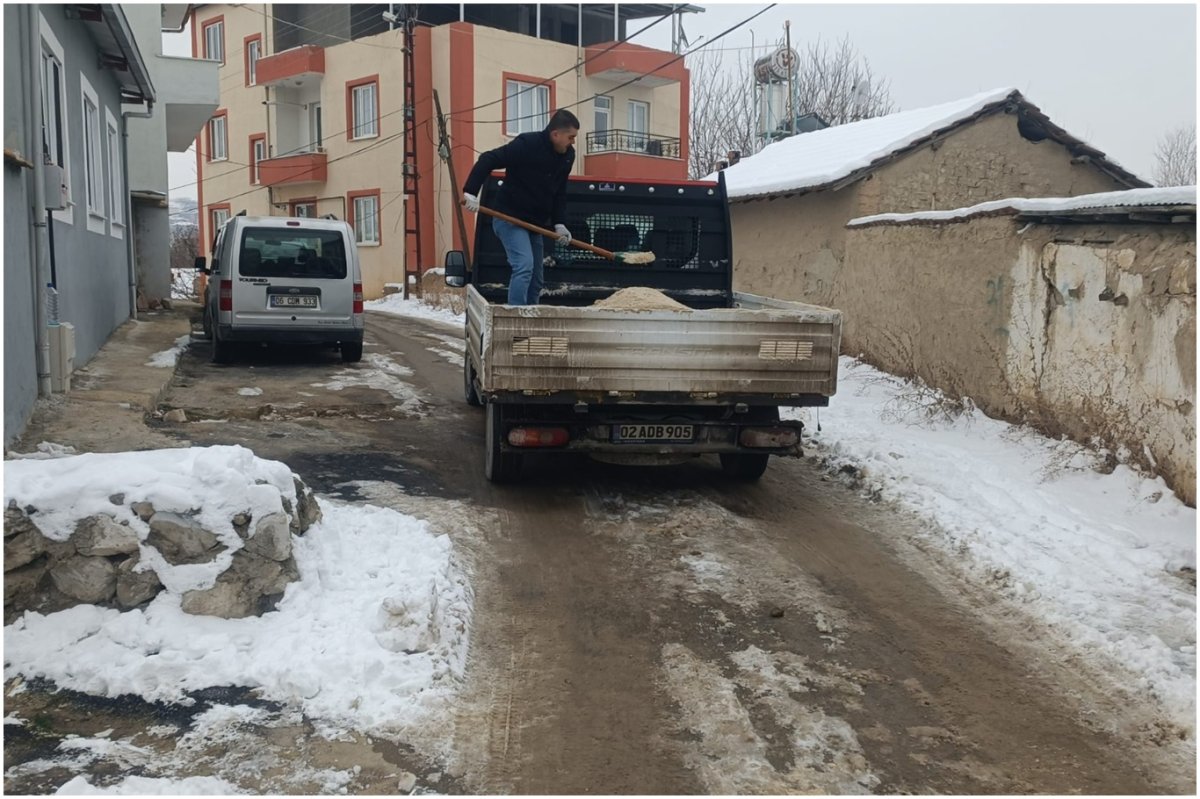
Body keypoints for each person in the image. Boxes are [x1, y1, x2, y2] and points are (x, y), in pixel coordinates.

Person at [462, 109, 579, 306]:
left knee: (536, 279)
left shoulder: (567, 155)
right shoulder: (527, 144)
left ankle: (530, 317)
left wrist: (559, 223)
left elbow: (559, 191)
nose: (573, 142)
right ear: (555, 134)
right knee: (524, 266)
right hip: (509, 218)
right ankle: (516, 318)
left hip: (534, 224)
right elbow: (488, 159)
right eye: (571, 137)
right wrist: (470, 192)